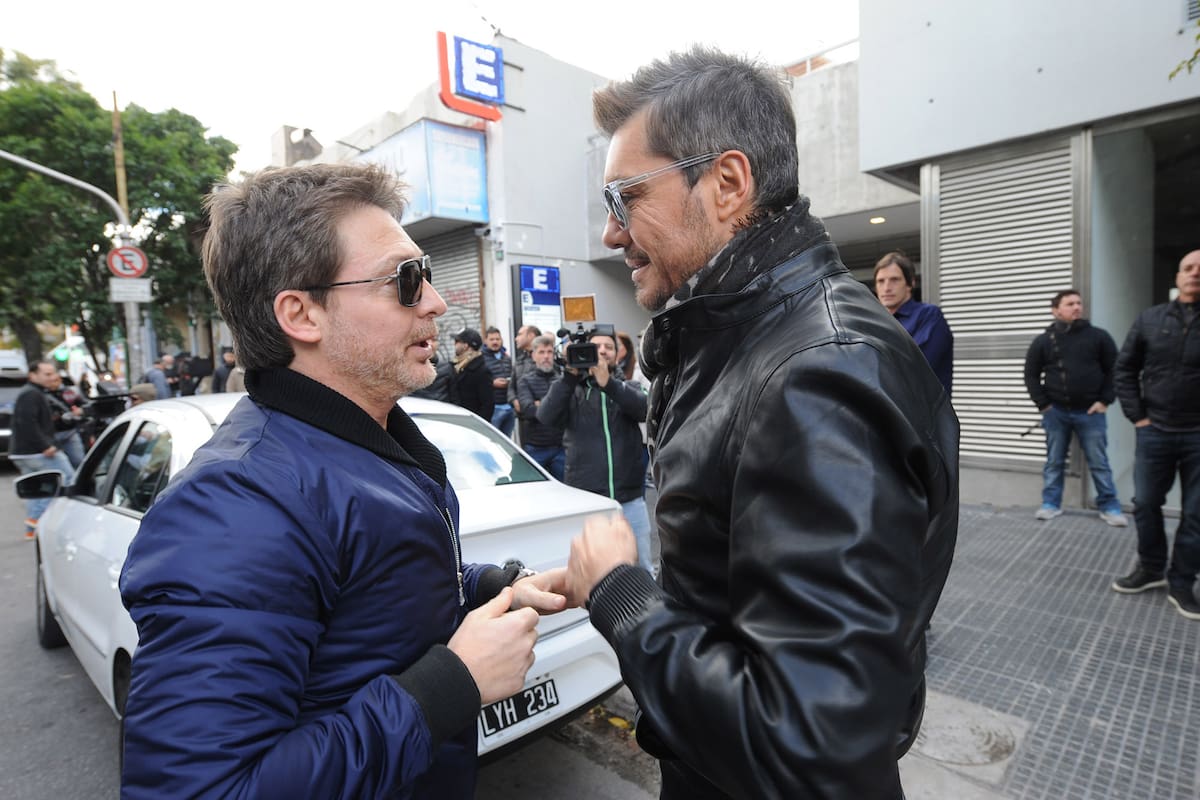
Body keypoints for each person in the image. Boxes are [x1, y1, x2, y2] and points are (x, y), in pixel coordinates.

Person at [562, 47, 959, 798]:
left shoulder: (817, 371)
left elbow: (812, 741)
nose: (612, 235)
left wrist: (621, 594)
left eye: (624, 200)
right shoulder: (742, 339)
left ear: (728, 184)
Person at [118, 163, 567, 797]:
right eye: (405, 281)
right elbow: (204, 789)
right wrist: (452, 684)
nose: (436, 302)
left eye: (430, 276)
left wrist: (490, 589)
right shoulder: (237, 507)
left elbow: (365, 608)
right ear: (301, 314)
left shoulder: (366, 442)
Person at [1111, 249, 1200, 620]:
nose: (1195, 274)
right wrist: (1138, 417)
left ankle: (1181, 582)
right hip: (1155, 430)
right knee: (1145, 502)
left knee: (1196, 513)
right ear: (1177, 276)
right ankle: (1151, 568)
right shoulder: (1150, 320)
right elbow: (1125, 369)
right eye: (1189, 268)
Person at [537, 328, 653, 572]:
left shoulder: (628, 386)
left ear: (618, 354)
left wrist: (609, 384)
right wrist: (569, 376)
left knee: (641, 566)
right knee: (592, 572)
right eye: (596, 347)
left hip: (630, 500)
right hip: (588, 500)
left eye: (608, 347)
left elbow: (645, 409)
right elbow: (545, 416)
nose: (602, 351)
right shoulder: (572, 391)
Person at [1023, 290, 1127, 526]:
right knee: (1054, 461)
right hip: (1056, 412)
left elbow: (1116, 371)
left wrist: (1105, 401)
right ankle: (1051, 504)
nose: (1077, 307)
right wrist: (1044, 405)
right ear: (1056, 310)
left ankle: (1109, 507)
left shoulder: (1099, 337)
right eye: (1070, 303)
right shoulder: (1043, 341)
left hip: (1091, 412)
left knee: (1099, 462)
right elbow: (1030, 375)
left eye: (1079, 303)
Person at [9, 360, 77, 538]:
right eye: (47, 374)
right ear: (32, 375)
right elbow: (27, 423)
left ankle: (33, 525)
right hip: (35, 452)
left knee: (38, 488)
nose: (53, 377)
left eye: (53, 373)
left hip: (26, 452)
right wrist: (45, 446)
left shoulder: (33, 392)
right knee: (63, 479)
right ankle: (43, 521)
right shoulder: (31, 394)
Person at [874, 251, 954, 397]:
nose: (886, 288)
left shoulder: (929, 316)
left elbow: (914, 369)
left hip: (923, 416)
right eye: (881, 281)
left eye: (894, 280)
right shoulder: (875, 321)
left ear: (911, 283)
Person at [516, 333, 565, 480]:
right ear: (534, 356)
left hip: (560, 447)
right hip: (535, 447)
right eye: (541, 352)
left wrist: (540, 403)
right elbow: (528, 410)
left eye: (549, 352)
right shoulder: (525, 381)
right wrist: (553, 404)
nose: (546, 356)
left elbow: (566, 409)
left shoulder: (562, 381)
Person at [449, 328, 494, 422]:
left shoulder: (481, 371)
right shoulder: (456, 366)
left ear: (465, 346)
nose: (454, 345)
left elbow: (487, 405)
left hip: (472, 425)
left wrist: (478, 426)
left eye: (457, 341)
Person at [483, 327, 515, 436]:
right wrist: (492, 383)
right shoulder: (481, 358)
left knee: (507, 441)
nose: (495, 342)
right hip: (494, 408)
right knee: (493, 439)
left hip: (509, 406)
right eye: (492, 339)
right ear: (486, 341)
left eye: (497, 339)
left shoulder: (507, 358)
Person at [508, 324, 540, 423]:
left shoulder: (545, 360)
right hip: (523, 416)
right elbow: (511, 387)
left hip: (540, 416)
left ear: (530, 335)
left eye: (520, 334)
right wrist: (514, 400)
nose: (516, 338)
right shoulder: (519, 361)